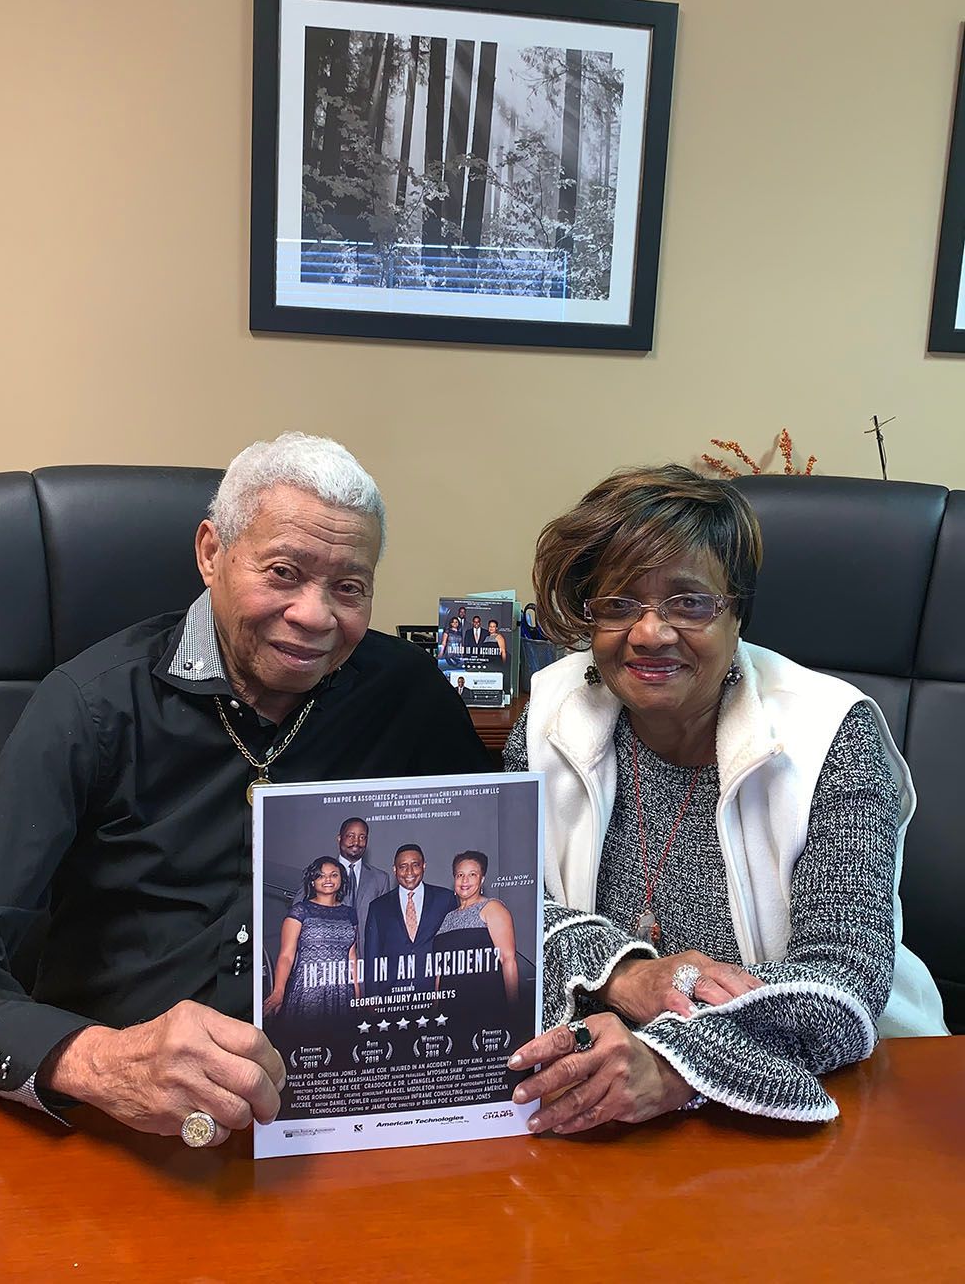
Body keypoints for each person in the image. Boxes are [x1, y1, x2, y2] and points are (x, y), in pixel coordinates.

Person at [0, 431, 491, 1147]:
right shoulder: (89, 706)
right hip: (122, 1132)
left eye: (348, 587)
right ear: (212, 552)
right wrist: (96, 1061)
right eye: (282, 571)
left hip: (356, 1115)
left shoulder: (410, 698)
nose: (315, 615)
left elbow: (491, 889)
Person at [504, 464, 948, 1135]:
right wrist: (624, 973)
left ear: (738, 611)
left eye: (689, 602)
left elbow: (843, 980)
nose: (649, 633)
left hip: (844, 1102)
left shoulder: (832, 733)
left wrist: (671, 1063)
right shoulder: (549, 719)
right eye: (619, 603)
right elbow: (507, 907)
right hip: (608, 1102)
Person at [263, 858, 358, 1019]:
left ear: (341, 880)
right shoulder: (300, 911)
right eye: (321, 876)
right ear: (312, 882)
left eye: (334, 875)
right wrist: (279, 990)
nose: (328, 879)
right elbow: (286, 956)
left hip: (342, 992)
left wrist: (358, 996)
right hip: (309, 990)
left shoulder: (349, 913)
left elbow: (352, 956)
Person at [433, 852, 519, 1018]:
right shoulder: (448, 917)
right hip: (449, 1010)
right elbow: (440, 972)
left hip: (484, 1004)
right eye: (460, 875)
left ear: (482, 880)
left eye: (472, 874)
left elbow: (508, 959)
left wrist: (514, 1010)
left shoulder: (492, 907)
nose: (465, 881)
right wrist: (435, 1010)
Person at [363, 845, 456, 991]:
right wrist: (372, 995)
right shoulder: (378, 907)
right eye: (403, 866)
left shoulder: (445, 899)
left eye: (415, 865)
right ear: (395, 870)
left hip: (435, 993)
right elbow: (372, 956)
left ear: (424, 866)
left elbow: (453, 949)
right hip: (391, 995)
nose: (409, 872)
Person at [334, 816, 390, 956]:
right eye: (350, 836)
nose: (356, 842)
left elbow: (385, 926)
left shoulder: (380, 879)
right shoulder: (321, 876)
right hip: (330, 960)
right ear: (339, 838)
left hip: (368, 961)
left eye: (362, 837)